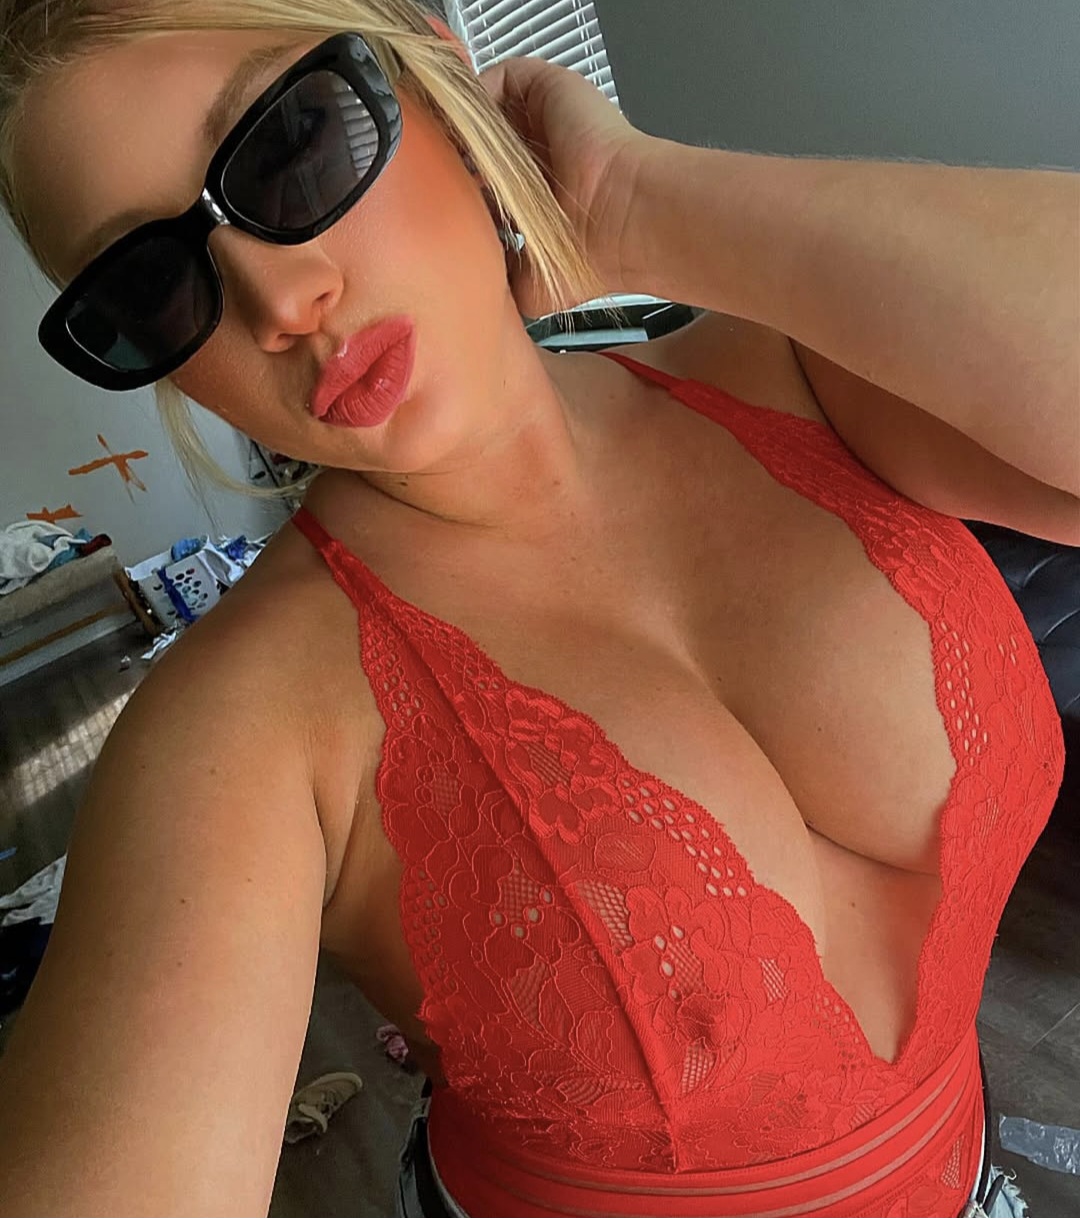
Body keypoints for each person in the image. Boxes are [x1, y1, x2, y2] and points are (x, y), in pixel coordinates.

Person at [0, 1, 1074, 1215]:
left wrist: (632, 203)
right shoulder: (239, 727)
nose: (278, 304)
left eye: (289, 145)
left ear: (437, 79)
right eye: (147, 282)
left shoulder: (802, 379)